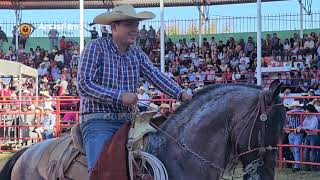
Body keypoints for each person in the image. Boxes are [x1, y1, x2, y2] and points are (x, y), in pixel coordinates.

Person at [77, 4, 192, 175]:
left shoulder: (136, 53)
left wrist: (181, 93)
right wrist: (119, 96)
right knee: (101, 170)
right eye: (128, 25)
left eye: (136, 25)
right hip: (99, 121)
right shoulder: (95, 47)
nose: (135, 29)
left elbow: (155, 75)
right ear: (114, 27)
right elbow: (84, 84)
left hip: (130, 121)